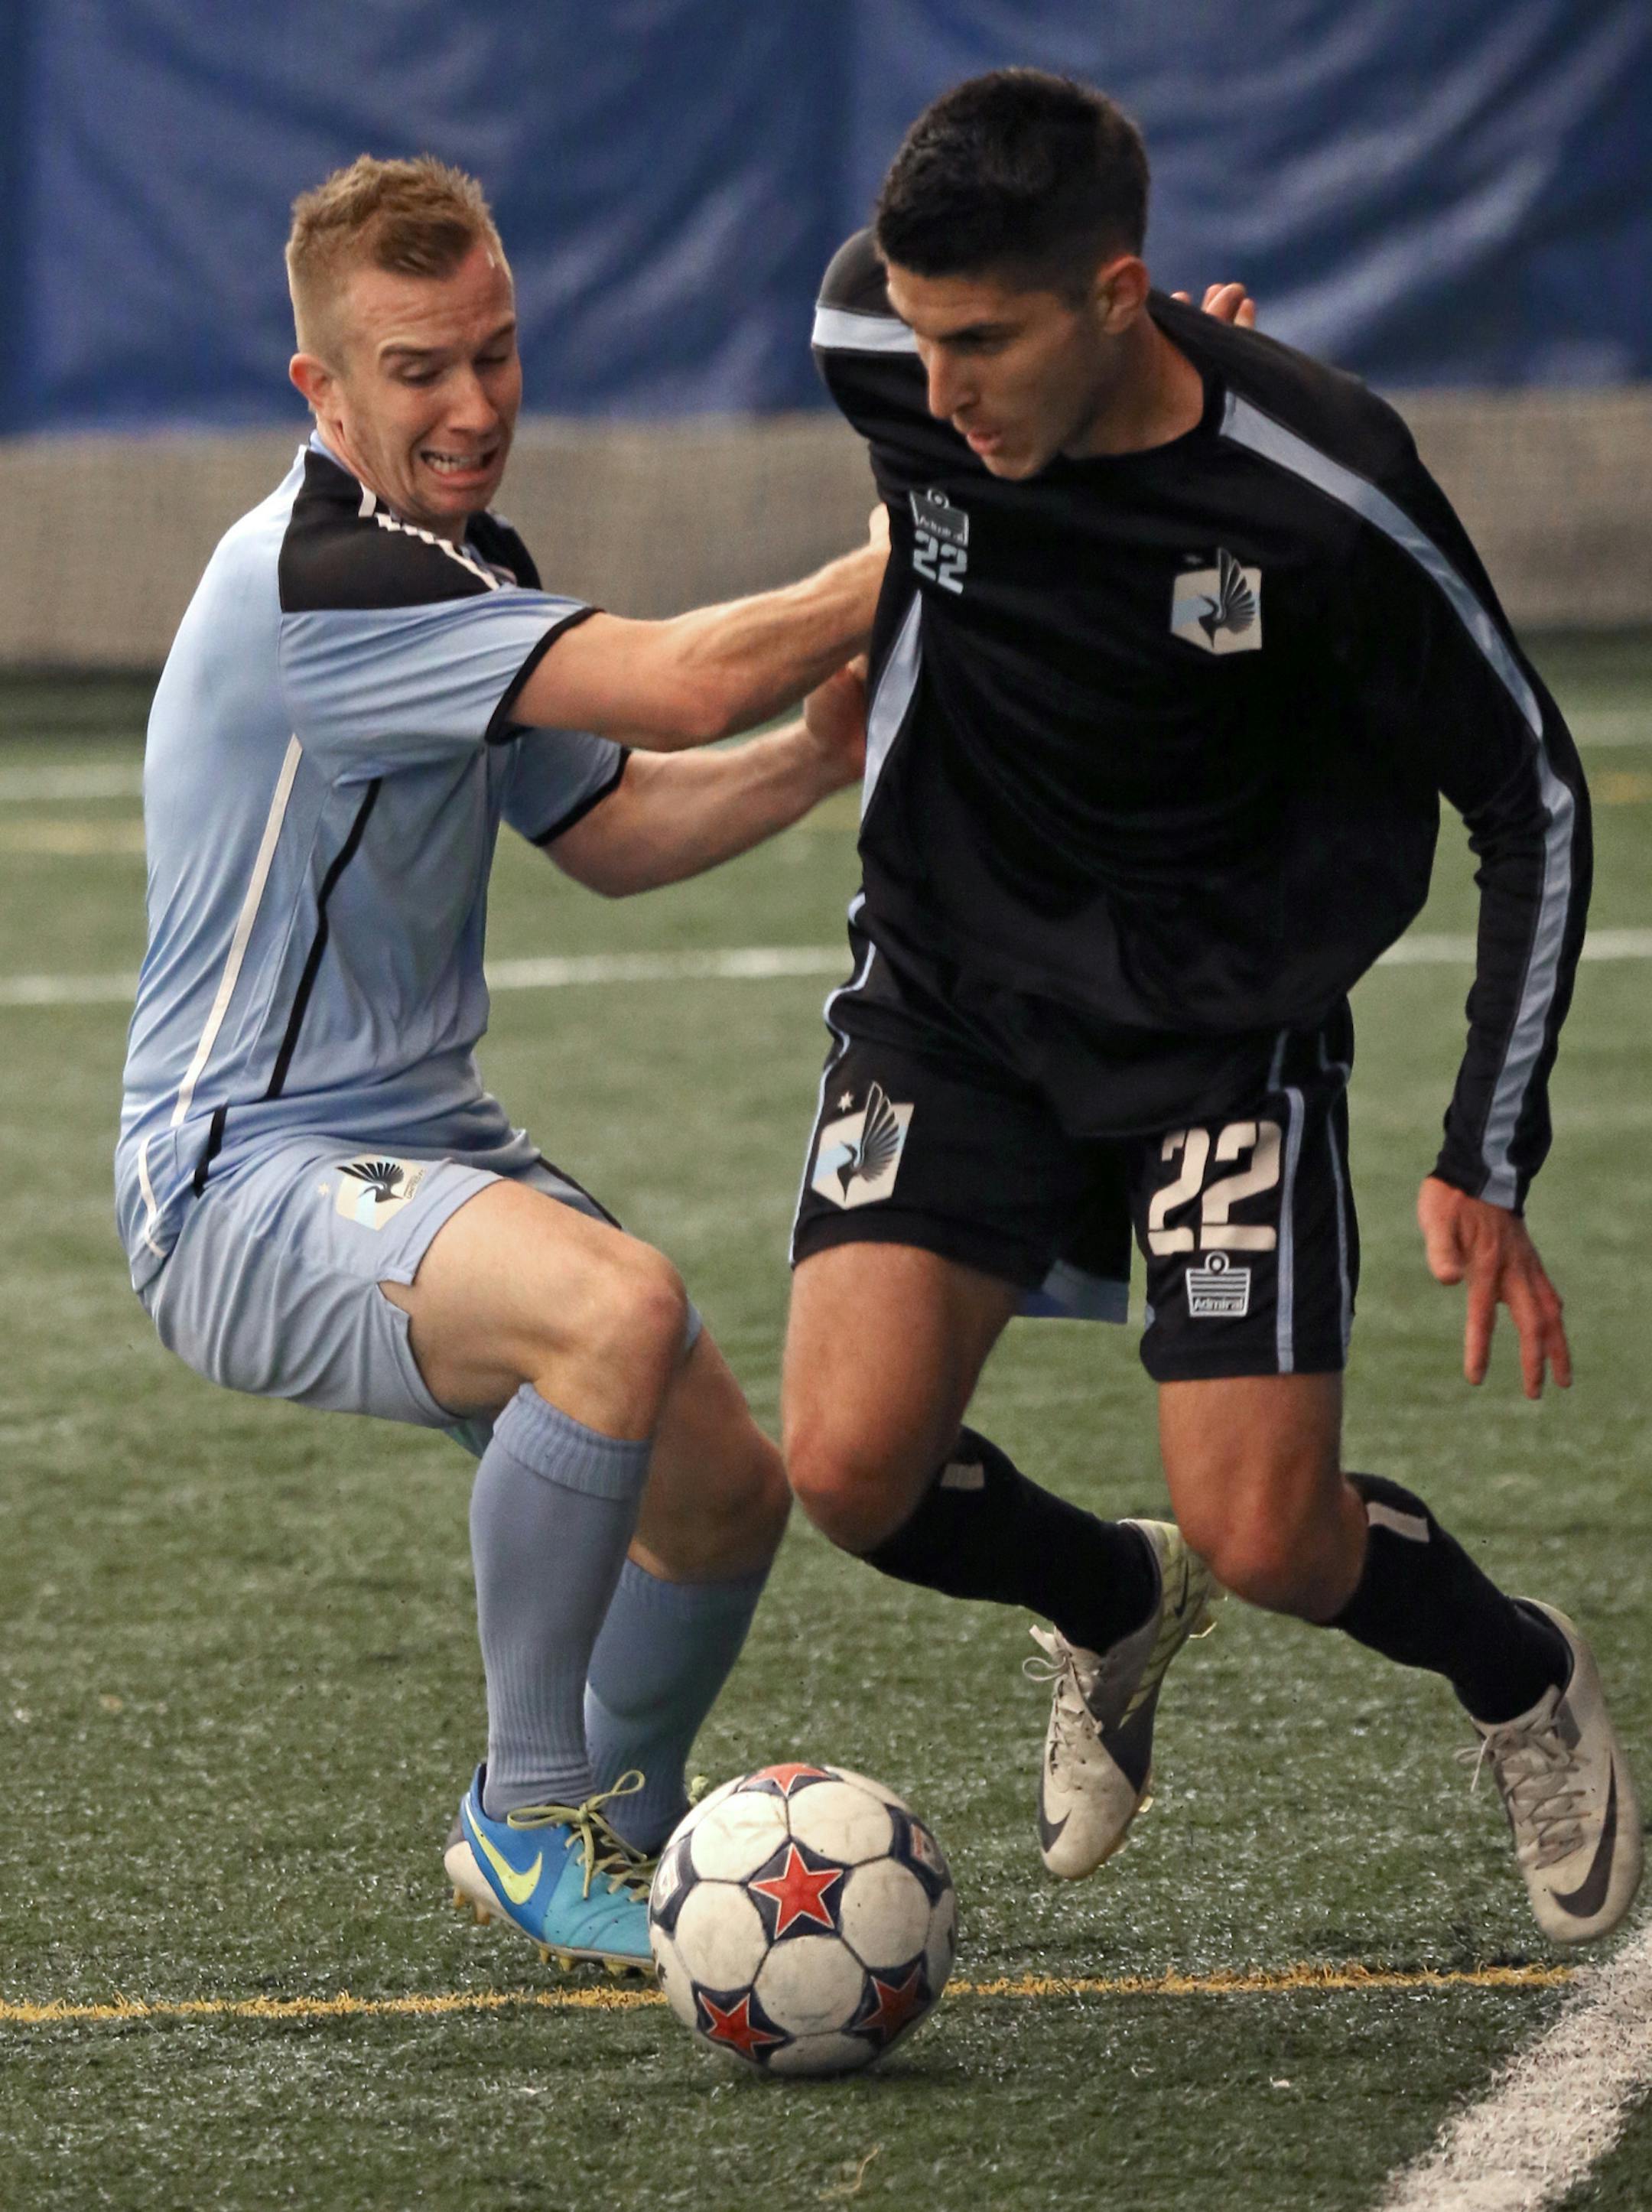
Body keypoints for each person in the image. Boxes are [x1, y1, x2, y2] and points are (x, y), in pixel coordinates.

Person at [782, 70, 1640, 1945]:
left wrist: (1486, 1150)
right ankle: (1106, 1595)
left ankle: (1517, 1673)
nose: (938, 392)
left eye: (985, 342)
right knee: (849, 1470)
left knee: (1274, 1533)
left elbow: (1534, 794)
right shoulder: (873, 334)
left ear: (1123, 295)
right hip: (950, 986)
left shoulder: (1323, 486)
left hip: (1214, 1030)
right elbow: (924, 431)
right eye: (920, 340)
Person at [115, 154, 884, 1974]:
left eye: (497, 355)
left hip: (415, 1135)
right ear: (322, 390)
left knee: (724, 1491)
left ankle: (621, 1837)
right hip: (234, 1177)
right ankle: (522, 1804)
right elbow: (684, 679)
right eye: (416, 370)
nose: (470, 406)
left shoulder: (458, 566)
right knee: (613, 1313)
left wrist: (813, 760)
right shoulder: (331, 583)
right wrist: (909, 545)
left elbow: (607, 823)